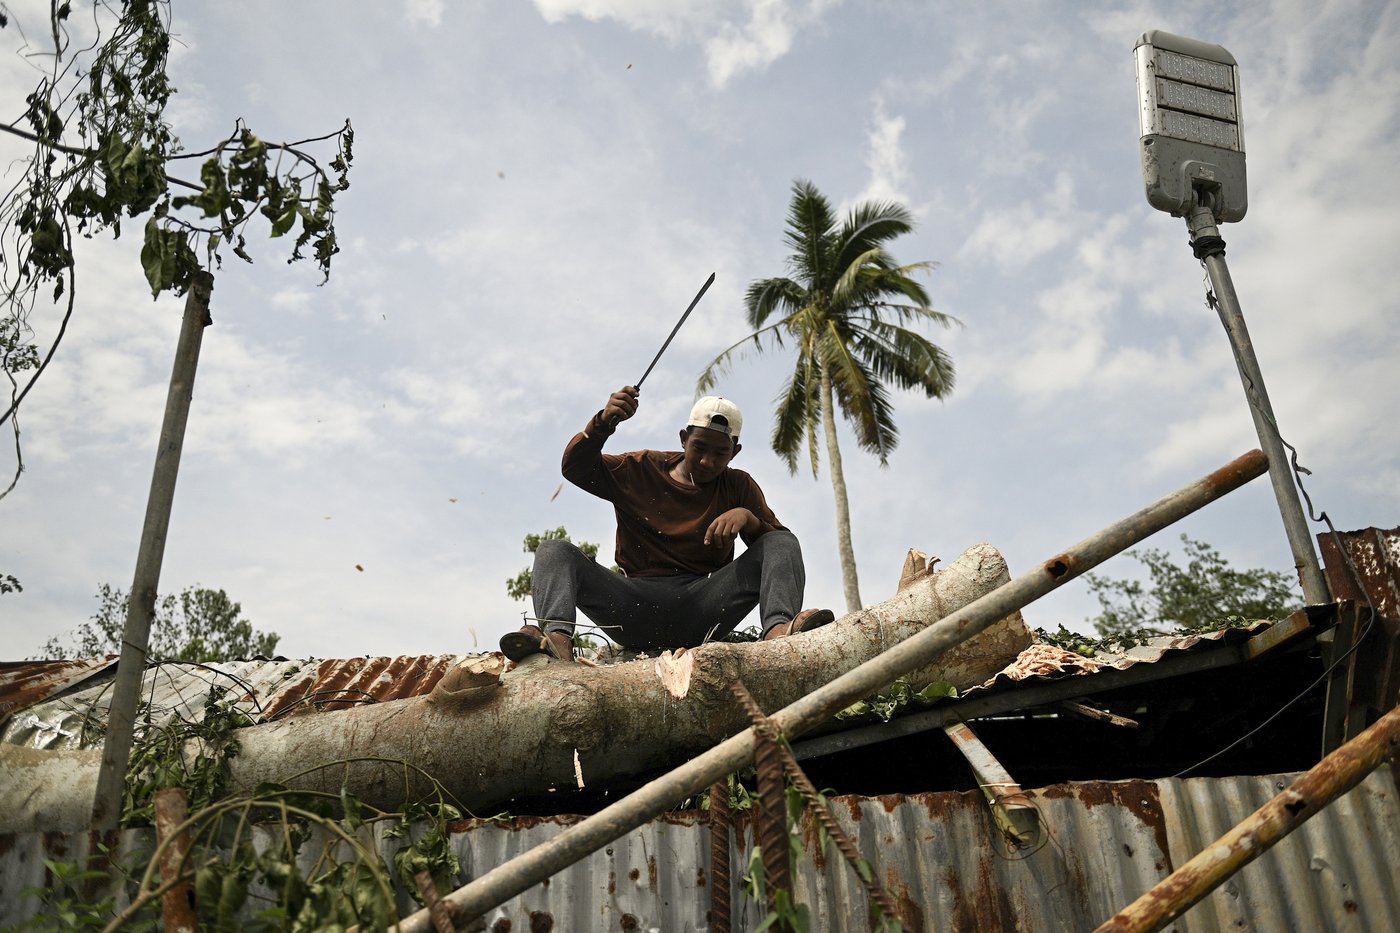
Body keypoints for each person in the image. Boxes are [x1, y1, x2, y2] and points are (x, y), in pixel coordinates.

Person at [500, 386, 833, 662]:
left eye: (720, 453)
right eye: (699, 448)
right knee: (554, 551)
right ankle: (556, 645)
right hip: (632, 606)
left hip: (702, 607)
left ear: (735, 452)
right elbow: (575, 468)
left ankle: (778, 632)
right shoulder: (641, 468)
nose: (707, 461)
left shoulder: (738, 486)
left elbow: (779, 549)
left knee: (781, 541)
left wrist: (748, 519)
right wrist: (603, 422)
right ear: (683, 439)